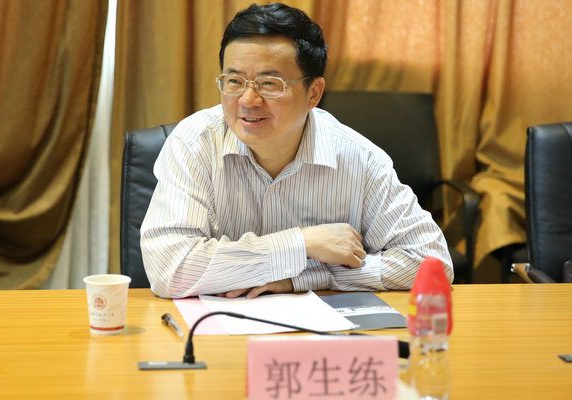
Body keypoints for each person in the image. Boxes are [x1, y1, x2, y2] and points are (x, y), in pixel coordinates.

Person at [140, 2, 453, 299]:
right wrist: (301, 243)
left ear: (313, 93)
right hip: (213, 328)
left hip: (324, 331)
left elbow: (432, 263)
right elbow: (170, 268)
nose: (248, 100)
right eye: (234, 80)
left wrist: (306, 277)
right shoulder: (194, 143)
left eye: (269, 83)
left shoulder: (359, 158)